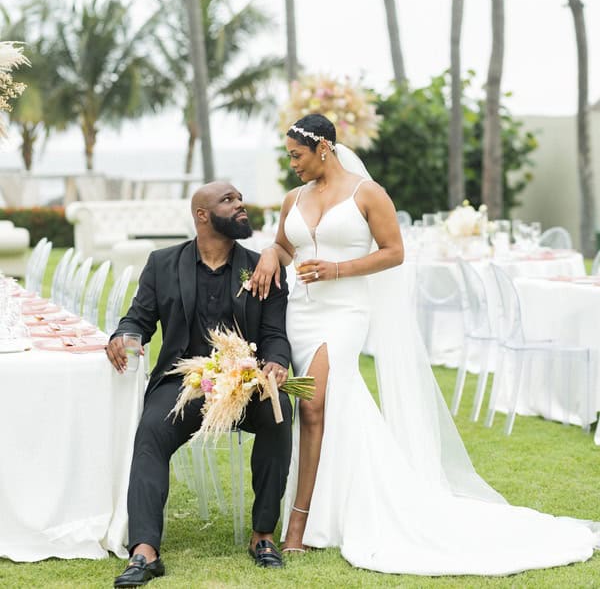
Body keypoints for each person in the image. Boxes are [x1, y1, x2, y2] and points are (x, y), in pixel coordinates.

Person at [250, 112, 598, 575]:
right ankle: (337, 505)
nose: (292, 164)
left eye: (297, 155)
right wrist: (270, 254)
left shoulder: (367, 193)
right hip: (301, 313)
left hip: (345, 313)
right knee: (332, 408)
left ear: (324, 149)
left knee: (312, 407)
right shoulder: (293, 199)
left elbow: (394, 252)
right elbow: (284, 247)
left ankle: (298, 525)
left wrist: (338, 269)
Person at [106, 182, 293, 587]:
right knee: (150, 432)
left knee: (278, 415)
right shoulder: (162, 264)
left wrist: (277, 362)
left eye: (240, 198)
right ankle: (144, 551)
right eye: (229, 200)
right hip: (183, 383)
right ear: (202, 215)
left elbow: (275, 334)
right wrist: (123, 335)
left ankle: (263, 535)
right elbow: (139, 318)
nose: (240, 204)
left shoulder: (261, 268)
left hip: (245, 384)